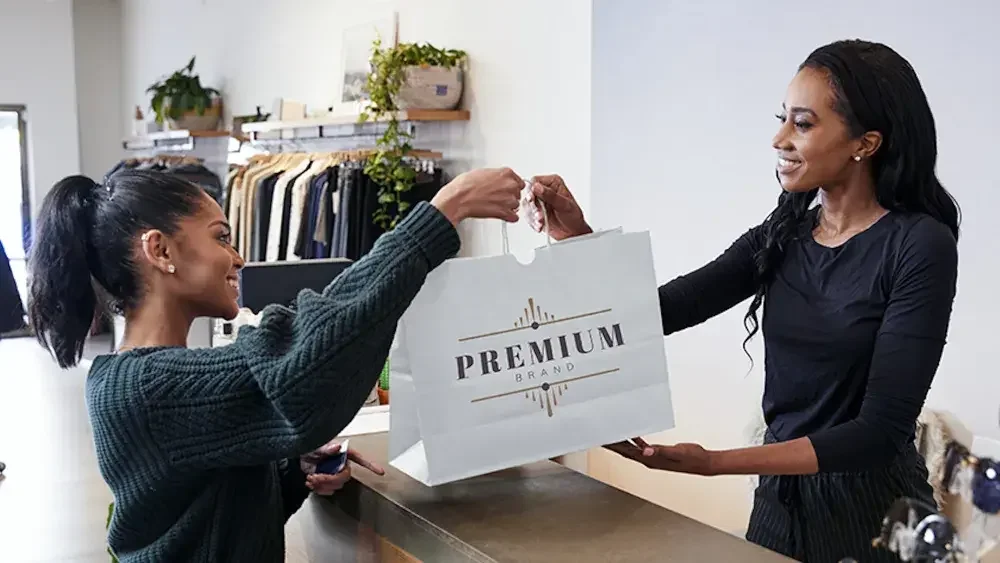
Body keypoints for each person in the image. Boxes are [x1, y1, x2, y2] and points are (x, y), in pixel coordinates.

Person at [527, 39, 959, 562]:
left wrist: (713, 463)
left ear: (864, 143)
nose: (779, 139)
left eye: (802, 124)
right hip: (779, 509)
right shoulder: (787, 230)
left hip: (878, 520)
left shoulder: (920, 245)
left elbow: (879, 433)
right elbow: (661, 311)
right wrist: (575, 235)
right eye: (783, 119)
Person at [27, 166, 524, 561]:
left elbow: (211, 514)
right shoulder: (141, 390)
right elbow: (302, 363)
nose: (238, 256)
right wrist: (443, 211)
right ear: (160, 250)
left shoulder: (155, 376)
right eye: (221, 237)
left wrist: (291, 468)